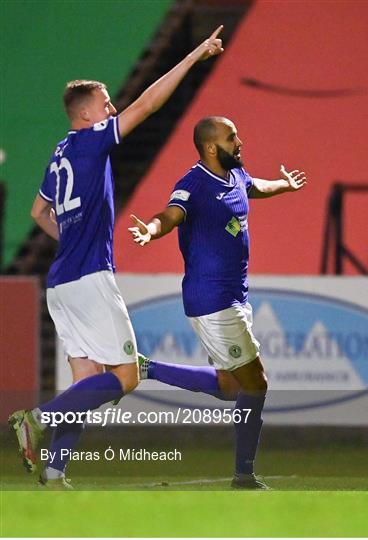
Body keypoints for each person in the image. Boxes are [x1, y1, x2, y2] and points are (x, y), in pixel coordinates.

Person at [8, 29, 224, 489]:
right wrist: (193, 57)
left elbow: (37, 212)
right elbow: (146, 105)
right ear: (85, 115)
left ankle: (54, 470)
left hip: (61, 282)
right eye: (105, 104)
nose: (112, 110)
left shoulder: (59, 153)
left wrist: (70, 236)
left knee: (85, 382)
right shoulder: (89, 141)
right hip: (88, 278)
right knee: (125, 377)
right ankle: (36, 419)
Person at [128, 116, 307, 489]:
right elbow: (171, 215)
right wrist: (151, 229)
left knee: (231, 386)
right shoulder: (193, 184)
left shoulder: (236, 176)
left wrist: (284, 186)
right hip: (212, 298)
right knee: (255, 383)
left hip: (235, 295)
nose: (240, 141)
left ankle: (147, 369)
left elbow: (256, 186)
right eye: (231, 137)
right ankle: (243, 474)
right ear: (211, 147)